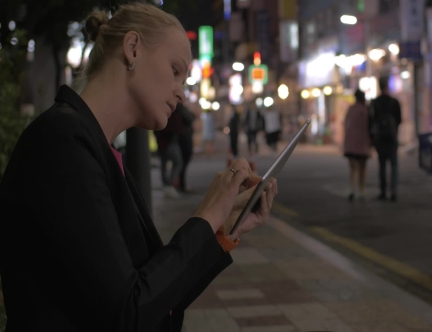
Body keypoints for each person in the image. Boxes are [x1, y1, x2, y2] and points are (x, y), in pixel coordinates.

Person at [0, 4, 277, 331]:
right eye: (175, 70)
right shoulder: (62, 142)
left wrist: (220, 229)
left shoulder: (96, 147)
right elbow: (128, 313)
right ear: (132, 49)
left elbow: (155, 297)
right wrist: (207, 215)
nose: (181, 92)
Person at [369, 76, 402, 201]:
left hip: (380, 139)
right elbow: (399, 120)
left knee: (382, 165)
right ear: (387, 86)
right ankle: (393, 191)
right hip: (392, 138)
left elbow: (371, 121)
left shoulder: (375, 102)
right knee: (394, 165)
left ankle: (383, 191)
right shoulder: (394, 102)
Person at [343, 89, 372, 201]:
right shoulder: (366, 110)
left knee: (353, 168)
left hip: (351, 143)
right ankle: (361, 190)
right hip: (363, 142)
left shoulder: (351, 109)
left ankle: (352, 189)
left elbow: (346, 124)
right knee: (362, 168)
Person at [154, 108, 184, 198]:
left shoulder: (163, 112)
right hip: (170, 141)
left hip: (163, 142)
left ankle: (167, 184)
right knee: (177, 162)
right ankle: (169, 184)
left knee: (164, 163)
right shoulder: (173, 112)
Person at [176, 102, 196, 193]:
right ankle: (180, 184)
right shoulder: (179, 108)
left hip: (183, 139)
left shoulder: (178, 109)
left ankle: (179, 183)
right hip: (184, 140)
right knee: (182, 163)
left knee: (181, 163)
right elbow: (190, 117)